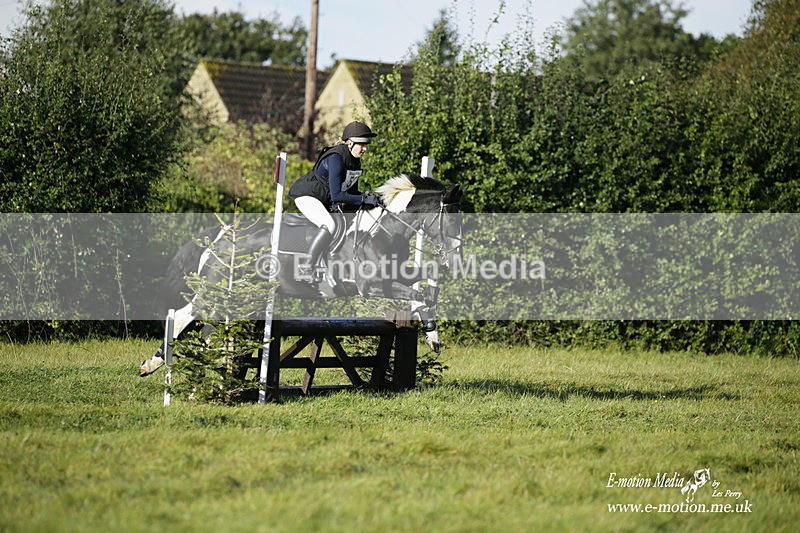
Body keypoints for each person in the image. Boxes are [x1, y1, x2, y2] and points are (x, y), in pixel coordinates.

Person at [289, 121, 381, 279]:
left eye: (367, 145)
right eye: (362, 145)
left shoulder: (354, 162)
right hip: (308, 195)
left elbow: (351, 192)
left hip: (324, 199)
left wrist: (373, 200)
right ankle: (306, 268)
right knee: (330, 224)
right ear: (350, 143)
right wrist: (364, 198)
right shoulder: (336, 158)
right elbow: (337, 195)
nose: (365, 149)